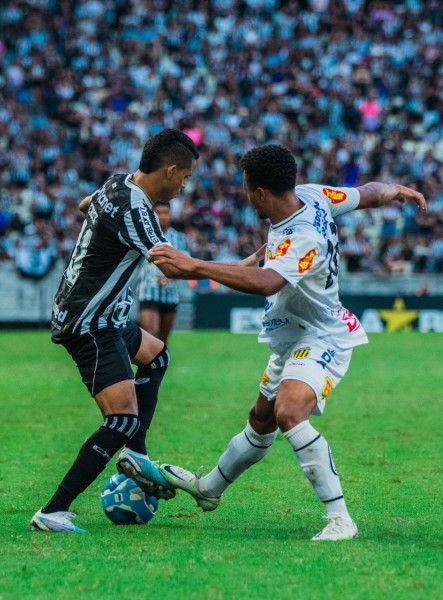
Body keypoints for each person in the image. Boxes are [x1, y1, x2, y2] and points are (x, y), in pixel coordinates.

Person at [148, 144, 427, 542]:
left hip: (321, 335)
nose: (245, 195)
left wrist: (194, 266)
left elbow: (269, 281)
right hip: (290, 338)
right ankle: (209, 489)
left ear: (261, 192)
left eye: (246, 188)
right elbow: (367, 193)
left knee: (288, 411)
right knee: (260, 421)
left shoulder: (305, 236)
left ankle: (340, 518)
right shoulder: (312, 194)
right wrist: (396, 189)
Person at [28, 129, 201, 534]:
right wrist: (242, 268)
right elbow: (172, 266)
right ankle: (53, 511)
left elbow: (87, 202)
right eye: (186, 177)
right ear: (170, 169)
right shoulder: (135, 209)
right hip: (89, 323)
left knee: (157, 355)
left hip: (103, 316)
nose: (184, 186)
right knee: (122, 419)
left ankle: (135, 457)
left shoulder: (117, 183)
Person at [136, 202, 189, 343]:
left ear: (170, 215)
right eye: (158, 213)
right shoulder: (142, 235)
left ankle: (160, 363)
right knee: (150, 336)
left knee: (162, 340)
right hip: (147, 292)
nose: (162, 216)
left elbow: (186, 267)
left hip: (170, 295)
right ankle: (149, 362)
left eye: (165, 212)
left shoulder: (179, 239)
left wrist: (168, 278)